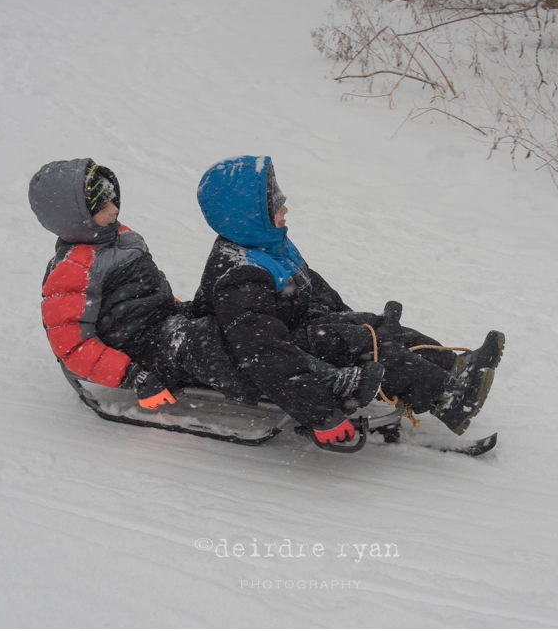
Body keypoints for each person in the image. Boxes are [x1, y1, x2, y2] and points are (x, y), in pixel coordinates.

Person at [192, 155, 504, 445]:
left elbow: (311, 286)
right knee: (363, 345)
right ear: (248, 216)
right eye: (274, 203)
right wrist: (321, 414)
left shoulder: (268, 245)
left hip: (297, 328)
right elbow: (265, 354)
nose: (285, 208)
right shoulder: (238, 275)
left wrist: (347, 316)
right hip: (277, 350)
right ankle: (445, 398)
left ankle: (456, 367)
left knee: (372, 327)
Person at [28, 158, 380, 415]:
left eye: (113, 200)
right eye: (103, 207)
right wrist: (133, 376)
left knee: (234, 324)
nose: (115, 209)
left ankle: (311, 360)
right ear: (73, 216)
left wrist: (185, 310)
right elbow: (71, 346)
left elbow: (148, 294)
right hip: (137, 351)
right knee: (213, 343)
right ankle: (326, 385)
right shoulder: (70, 271)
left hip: (162, 325)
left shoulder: (121, 237)